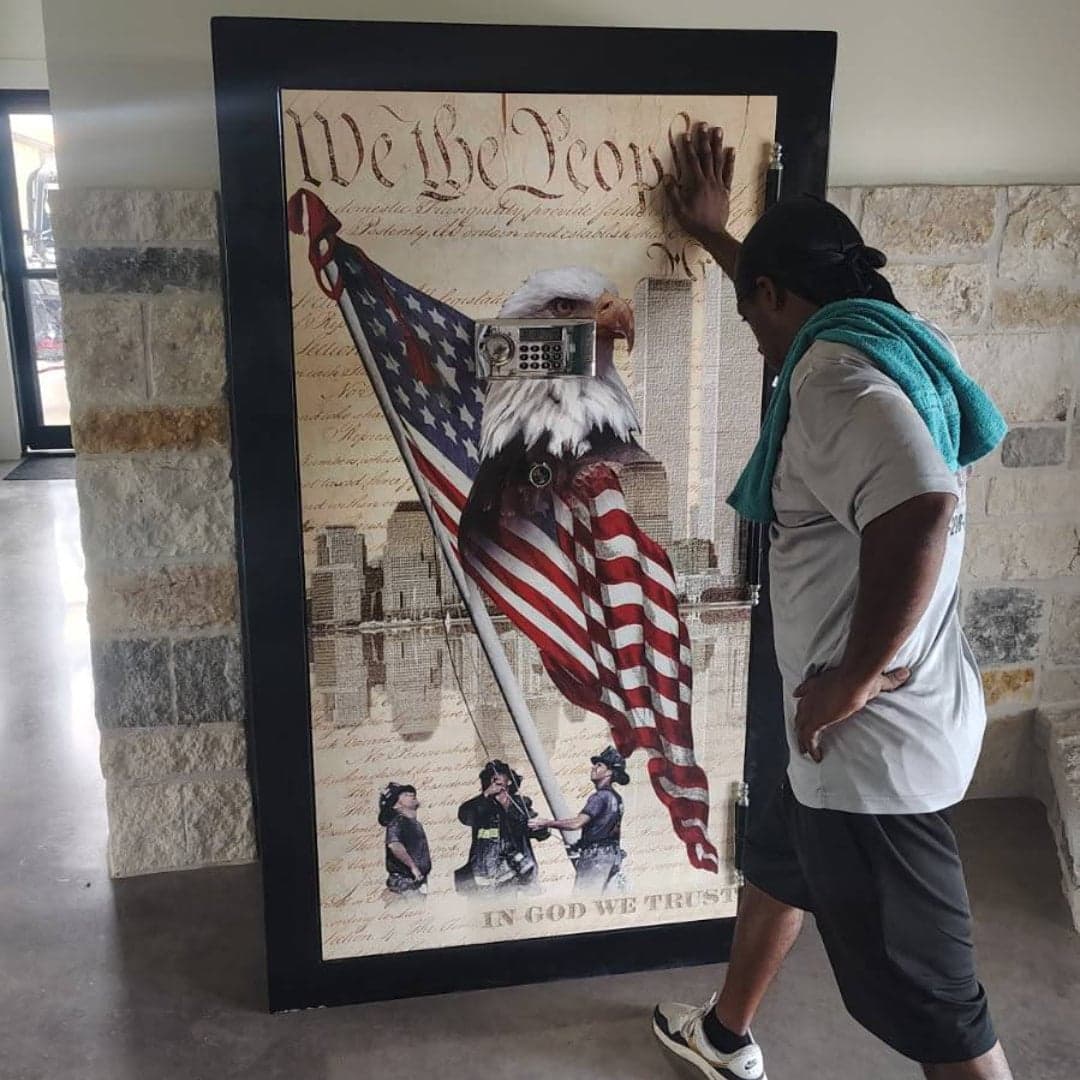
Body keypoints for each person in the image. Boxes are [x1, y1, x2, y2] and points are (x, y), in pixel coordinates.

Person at [652, 124, 1013, 1080]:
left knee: (940, 1008)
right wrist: (722, 238)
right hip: (840, 723)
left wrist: (848, 682)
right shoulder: (882, 332)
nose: (754, 333)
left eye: (751, 308)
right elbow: (789, 300)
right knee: (781, 850)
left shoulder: (832, 378)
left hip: (870, 754)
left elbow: (922, 510)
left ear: (778, 296)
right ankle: (726, 1036)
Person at [531, 746, 629, 894]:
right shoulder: (617, 798)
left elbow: (577, 823)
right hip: (612, 856)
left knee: (584, 900)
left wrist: (545, 823)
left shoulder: (600, 797)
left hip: (596, 857)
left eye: (599, 765)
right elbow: (605, 829)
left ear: (609, 772)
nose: (593, 767)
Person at [454, 760, 549, 893]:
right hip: (485, 871)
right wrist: (485, 795)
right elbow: (464, 817)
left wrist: (541, 828)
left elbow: (541, 834)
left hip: (515, 868)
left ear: (509, 781)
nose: (495, 777)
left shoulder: (520, 805)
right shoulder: (481, 804)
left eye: (500, 773)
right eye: (491, 775)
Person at [378, 782, 431, 899]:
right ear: (396, 805)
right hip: (404, 886)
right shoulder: (397, 823)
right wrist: (413, 867)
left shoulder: (415, 824)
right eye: (405, 794)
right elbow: (394, 845)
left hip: (416, 884)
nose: (411, 794)